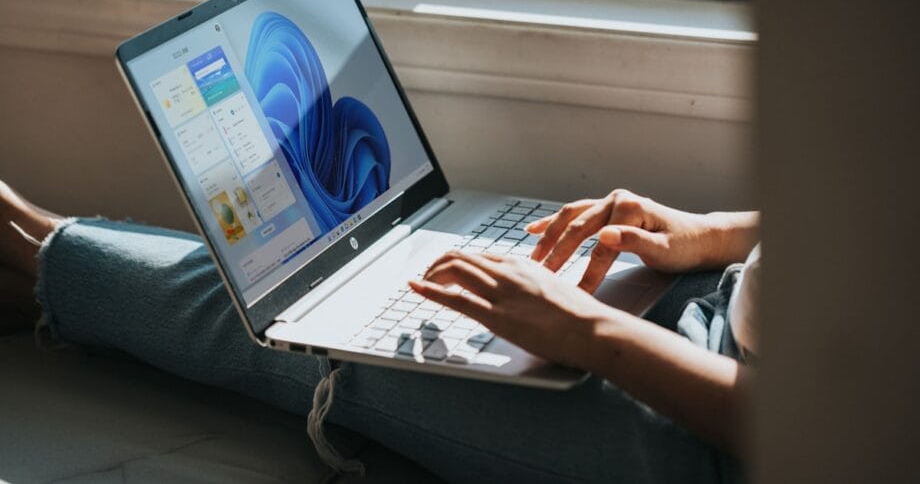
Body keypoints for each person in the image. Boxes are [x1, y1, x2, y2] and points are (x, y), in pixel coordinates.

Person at [0, 179, 759, 483]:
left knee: (288, 326)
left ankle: (26, 243)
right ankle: (46, 259)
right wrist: (712, 234)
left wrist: (587, 330)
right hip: (716, 299)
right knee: (338, 281)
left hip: (708, 433)